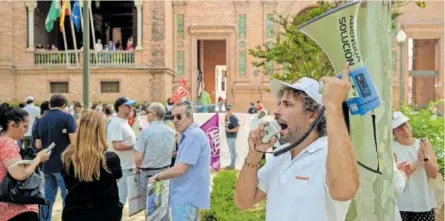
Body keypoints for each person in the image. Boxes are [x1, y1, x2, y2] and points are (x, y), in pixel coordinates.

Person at [234, 63, 360, 221]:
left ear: (312, 115)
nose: (277, 111)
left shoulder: (330, 152)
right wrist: (254, 154)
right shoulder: (280, 156)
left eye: (287, 104)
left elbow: (344, 191)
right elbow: (243, 201)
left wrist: (333, 106)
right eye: (279, 103)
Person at [148, 101, 210, 221]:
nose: (175, 120)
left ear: (190, 117)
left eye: (179, 116)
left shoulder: (193, 136)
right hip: (189, 196)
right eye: (172, 117)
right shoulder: (190, 134)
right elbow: (185, 157)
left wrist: (157, 177)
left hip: (186, 197)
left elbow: (181, 168)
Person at [61, 112, 123, 221]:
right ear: (101, 131)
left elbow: (68, 185)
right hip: (106, 213)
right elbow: (117, 179)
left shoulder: (67, 158)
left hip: (74, 213)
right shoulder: (110, 159)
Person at [0, 103, 50, 221]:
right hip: (16, 208)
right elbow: (20, 174)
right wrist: (38, 158)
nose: (26, 130)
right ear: (13, 125)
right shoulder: (7, 144)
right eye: (25, 126)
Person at [35, 94, 77, 221]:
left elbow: (38, 144)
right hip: (64, 165)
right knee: (67, 198)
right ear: (64, 105)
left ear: (49, 104)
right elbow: (74, 142)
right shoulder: (67, 117)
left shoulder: (40, 120)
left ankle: (44, 219)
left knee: (47, 198)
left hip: (47, 165)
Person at [392, 111, 438, 221]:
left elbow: (434, 174)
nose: (405, 130)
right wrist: (418, 160)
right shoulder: (391, 148)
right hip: (401, 204)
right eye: (399, 128)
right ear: (393, 131)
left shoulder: (423, 144)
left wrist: (425, 158)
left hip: (423, 203)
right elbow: (403, 172)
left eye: (405, 125)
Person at [135, 102, 175, 221]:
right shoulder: (171, 131)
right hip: (166, 173)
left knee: (151, 209)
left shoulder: (145, 132)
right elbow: (171, 153)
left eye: (147, 113)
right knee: (164, 208)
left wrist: (138, 167)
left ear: (152, 114)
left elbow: (138, 158)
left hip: (148, 174)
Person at [107, 97, 137, 205]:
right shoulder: (116, 123)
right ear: (120, 108)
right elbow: (117, 145)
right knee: (119, 200)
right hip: (121, 168)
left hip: (126, 167)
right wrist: (135, 145)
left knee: (121, 200)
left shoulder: (124, 122)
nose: (131, 108)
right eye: (128, 106)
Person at [224, 105, 240, 170]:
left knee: (233, 151)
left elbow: (237, 129)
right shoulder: (229, 117)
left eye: (229, 110)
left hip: (232, 137)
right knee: (231, 151)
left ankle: (232, 165)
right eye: (227, 110)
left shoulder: (234, 118)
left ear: (231, 110)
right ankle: (231, 164)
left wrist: (229, 130)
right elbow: (226, 123)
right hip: (229, 136)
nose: (228, 111)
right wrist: (225, 117)